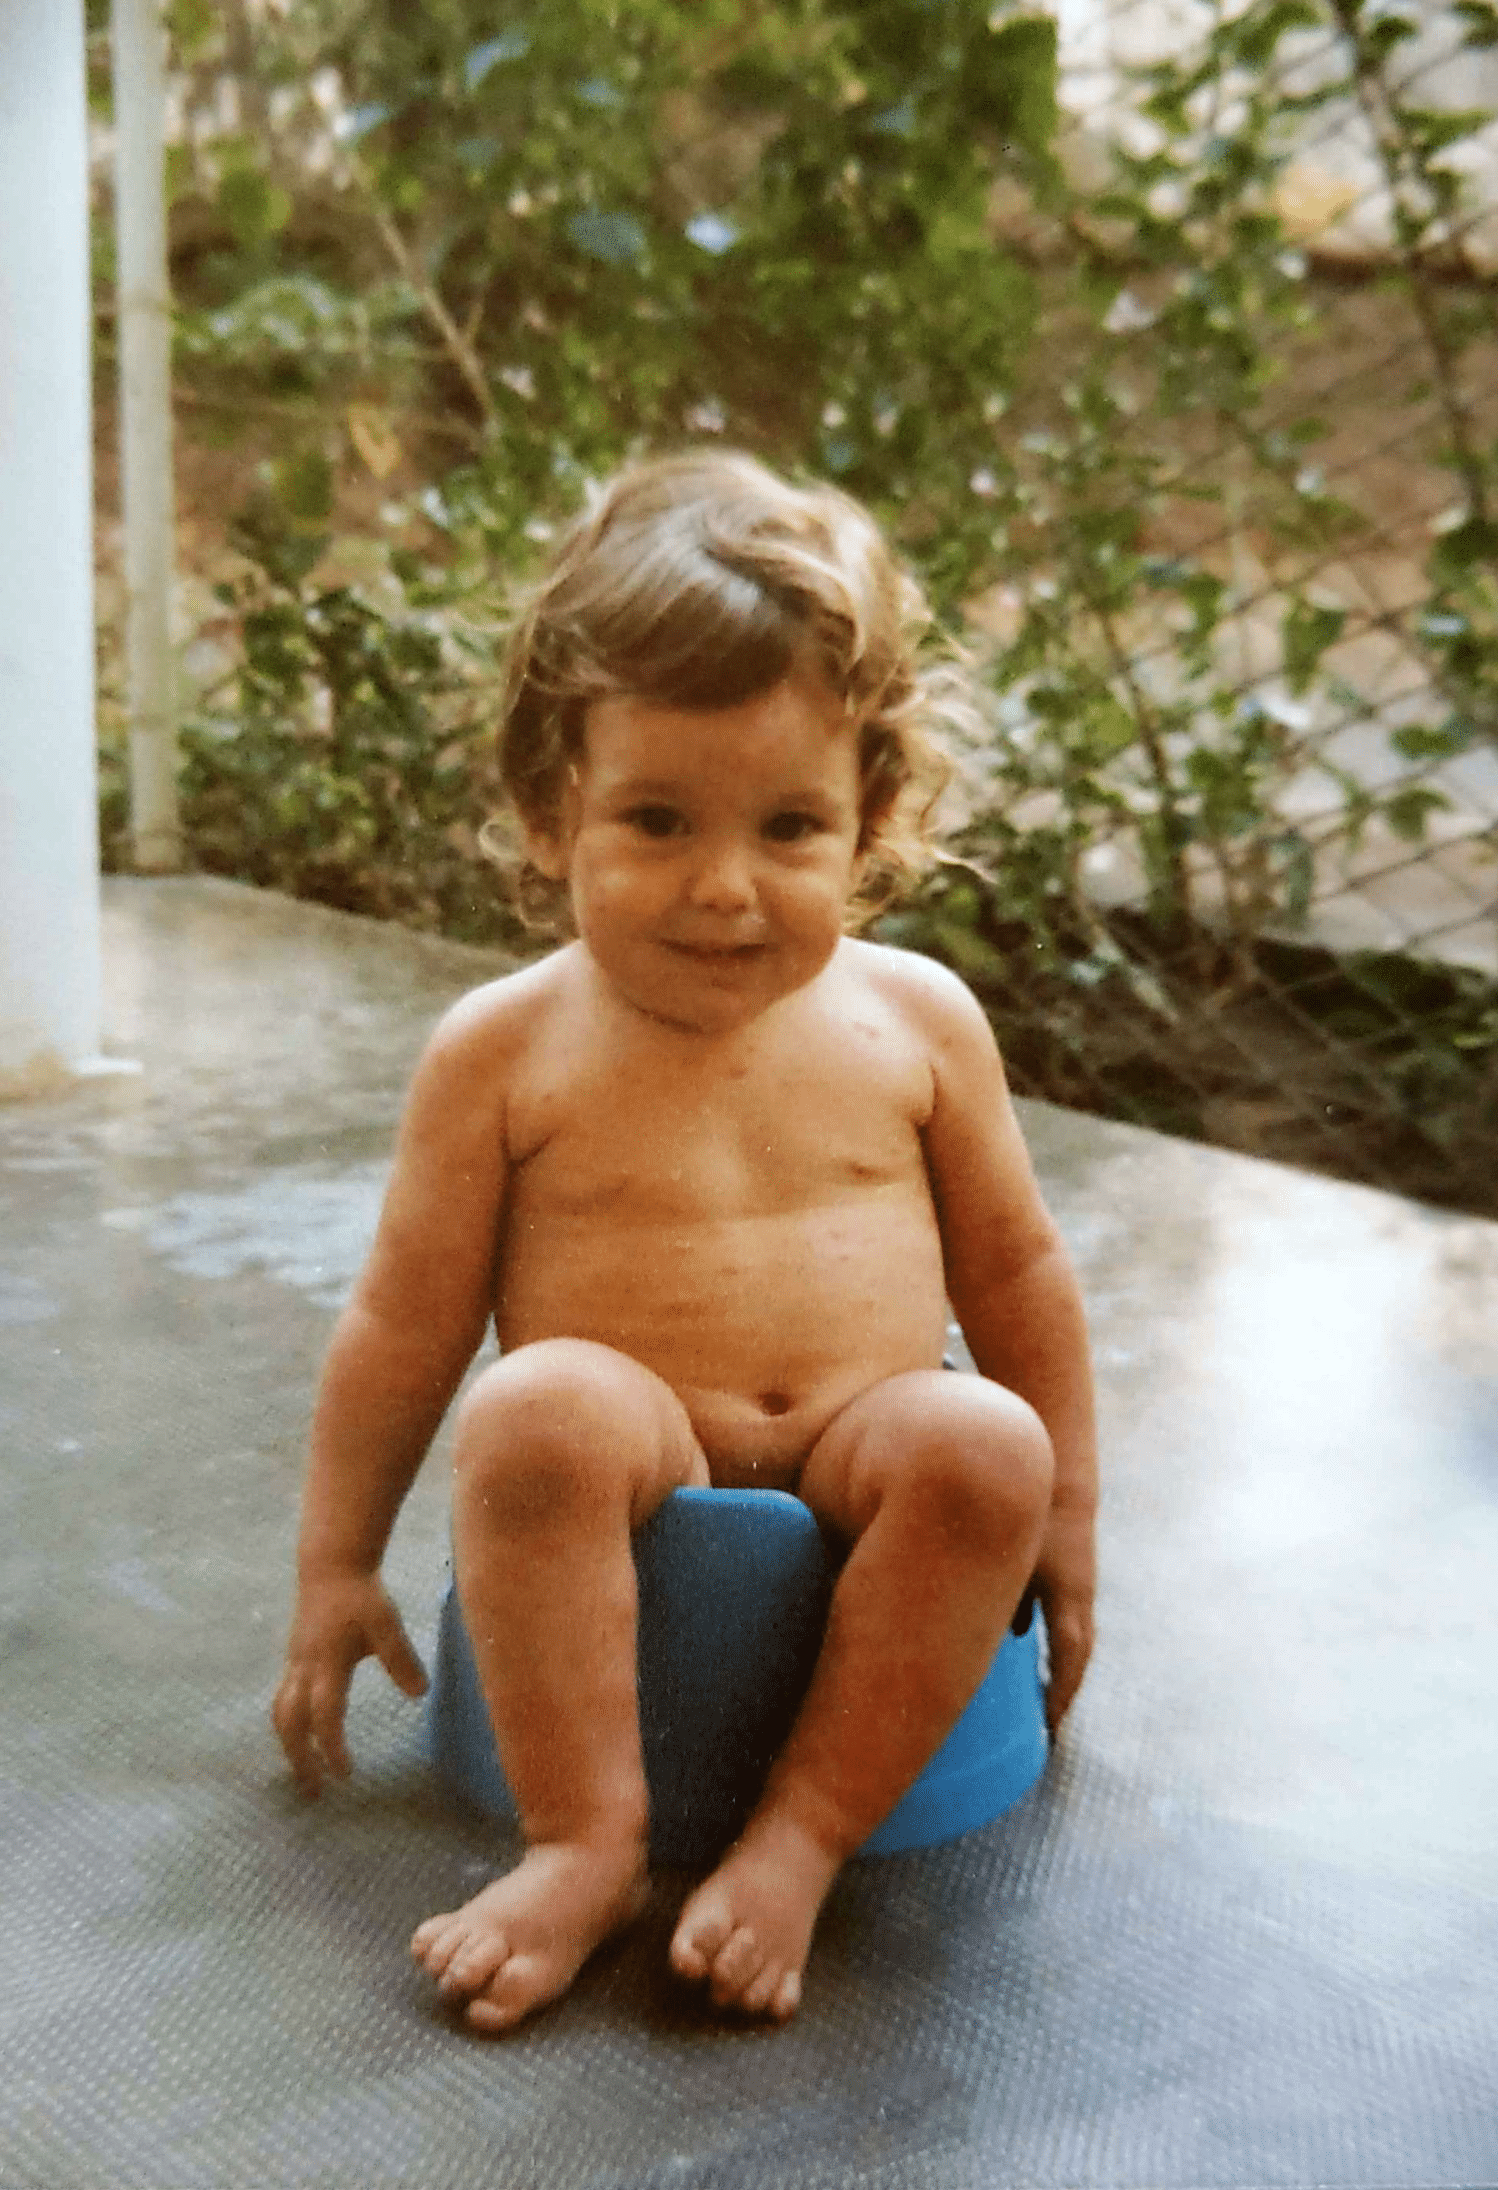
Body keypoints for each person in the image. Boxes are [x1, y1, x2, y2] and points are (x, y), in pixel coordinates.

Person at [272, 450, 1098, 2033]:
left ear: (873, 815)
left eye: (790, 825)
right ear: (545, 810)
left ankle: (799, 1839)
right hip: (637, 1449)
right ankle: (587, 1839)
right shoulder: (503, 1048)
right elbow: (404, 1322)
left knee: (986, 1445)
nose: (723, 889)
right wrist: (333, 1560)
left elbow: (1019, 1277)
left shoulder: (918, 1019)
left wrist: (1066, 1513)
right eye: (656, 820)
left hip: (869, 1437)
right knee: (534, 1409)